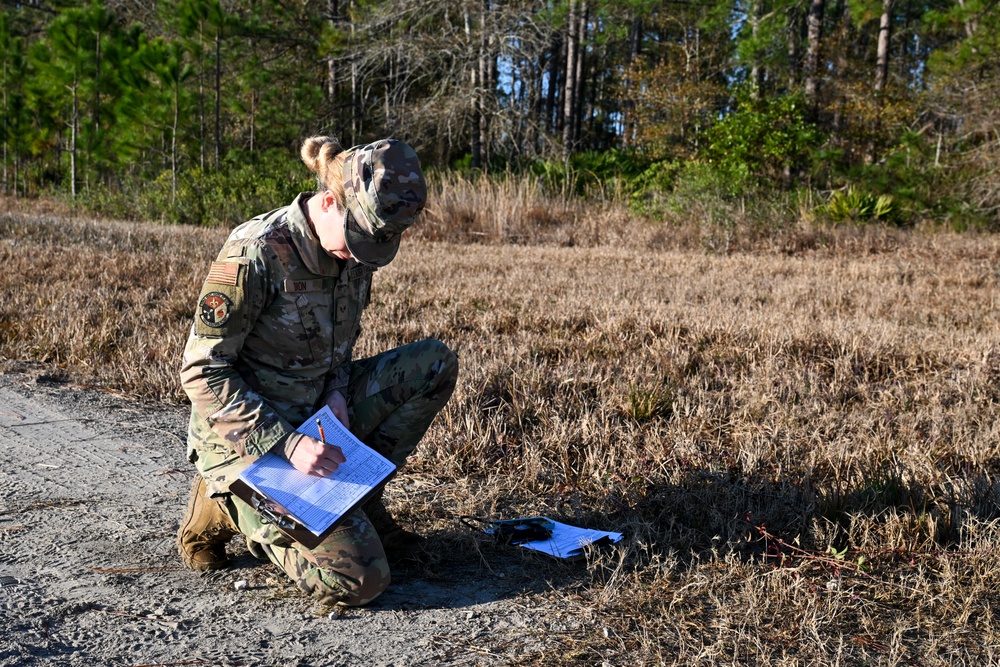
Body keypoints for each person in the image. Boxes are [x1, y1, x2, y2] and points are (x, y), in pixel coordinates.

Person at [176, 136, 459, 607]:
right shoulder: (256, 253)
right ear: (329, 202)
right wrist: (287, 443)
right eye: (359, 240)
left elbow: (337, 345)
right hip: (251, 440)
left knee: (432, 365)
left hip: (317, 419)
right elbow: (201, 369)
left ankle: (358, 501)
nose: (362, 256)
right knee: (359, 580)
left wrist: (337, 391)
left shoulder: (355, 248)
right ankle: (226, 501)